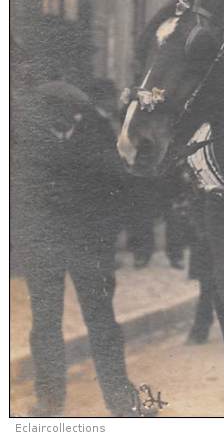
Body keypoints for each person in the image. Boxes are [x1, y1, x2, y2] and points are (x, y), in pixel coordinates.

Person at [12, 80, 137, 416]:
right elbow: (16, 194)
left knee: (102, 322)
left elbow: (118, 188)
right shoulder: (23, 138)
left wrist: (108, 236)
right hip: (45, 244)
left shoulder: (96, 132)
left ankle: (121, 403)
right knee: (45, 324)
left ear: (78, 114)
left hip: (90, 243)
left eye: (69, 116)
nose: (63, 123)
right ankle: (48, 403)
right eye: (53, 117)